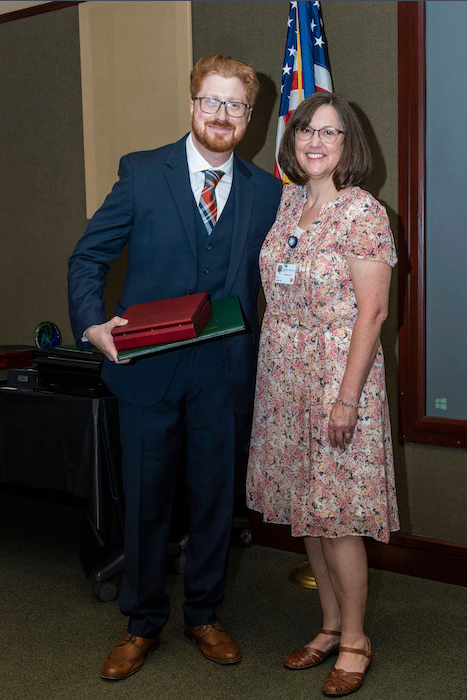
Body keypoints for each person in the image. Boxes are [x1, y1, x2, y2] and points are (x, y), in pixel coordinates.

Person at [68, 54, 281, 680]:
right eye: (210, 102)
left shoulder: (267, 191)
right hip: (145, 371)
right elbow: (88, 258)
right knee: (145, 502)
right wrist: (90, 323)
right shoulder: (140, 174)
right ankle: (141, 622)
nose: (222, 115)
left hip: (223, 374)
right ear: (192, 105)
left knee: (215, 502)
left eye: (235, 105)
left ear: (249, 116)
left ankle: (204, 614)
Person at [246, 91, 399, 697]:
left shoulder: (363, 212)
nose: (315, 140)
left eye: (330, 132)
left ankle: (357, 640)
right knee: (309, 512)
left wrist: (345, 399)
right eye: (306, 129)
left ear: (348, 145)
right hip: (284, 375)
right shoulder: (287, 206)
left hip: (339, 374)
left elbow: (374, 311)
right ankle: (331, 625)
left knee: (338, 518)